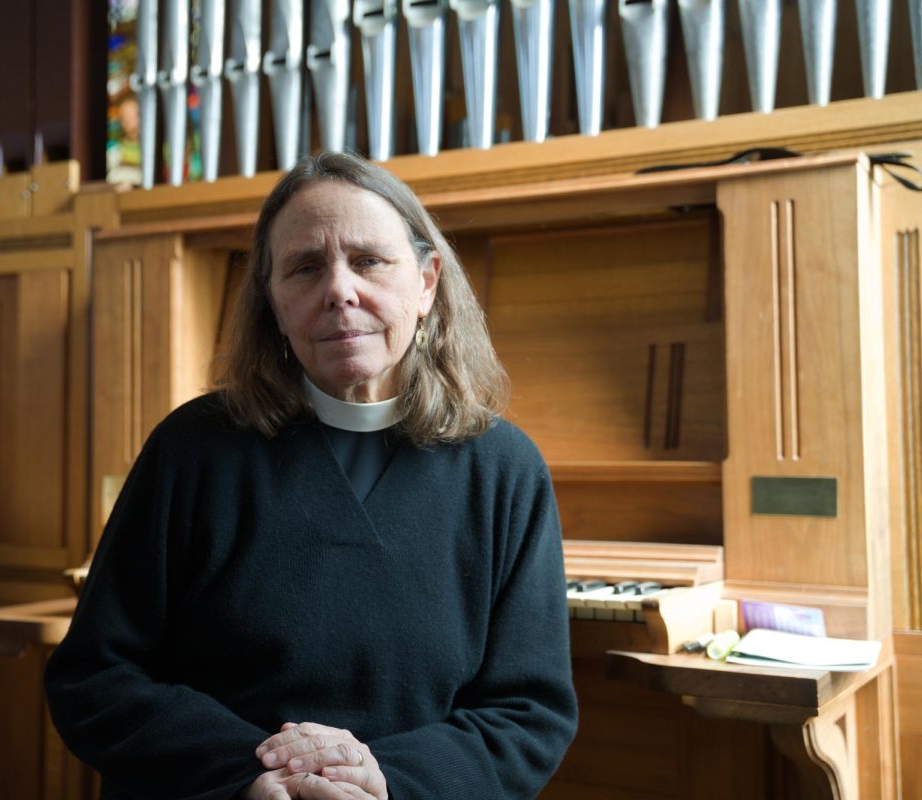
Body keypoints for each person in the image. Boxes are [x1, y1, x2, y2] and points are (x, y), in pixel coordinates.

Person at [44, 151, 577, 800]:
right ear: (272, 302)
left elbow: (530, 713)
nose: (339, 290)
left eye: (369, 261)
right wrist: (250, 774)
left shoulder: (505, 471)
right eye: (304, 267)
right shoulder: (191, 451)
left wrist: (383, 781)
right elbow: (94, 678)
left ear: (427, 282)